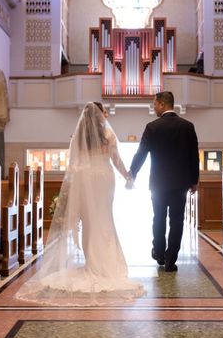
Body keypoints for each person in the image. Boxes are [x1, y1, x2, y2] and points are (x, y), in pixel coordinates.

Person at [16, 102, 145, 305]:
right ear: (100, 118)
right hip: (104, 178)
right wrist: (128, 177)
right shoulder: (108, 136)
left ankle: (92, 264)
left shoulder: (78, 137)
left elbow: (72, 165)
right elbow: (116, 160)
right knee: (104, 218)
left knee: (89, 221)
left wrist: (71, 190)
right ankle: (103, 265)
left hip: (84, 179)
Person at [128, 91, 199, 272]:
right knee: (177, 220)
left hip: (158, 184)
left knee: (158, 218)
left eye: (154, 104)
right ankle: (170, 260)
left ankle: (159, 253)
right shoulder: (187, 126)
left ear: (161, 104)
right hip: (180, 183)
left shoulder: (152, 127)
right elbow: (194, 156)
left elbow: (141, 153)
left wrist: (133, 172)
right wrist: (194, 180)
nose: (153, 107)